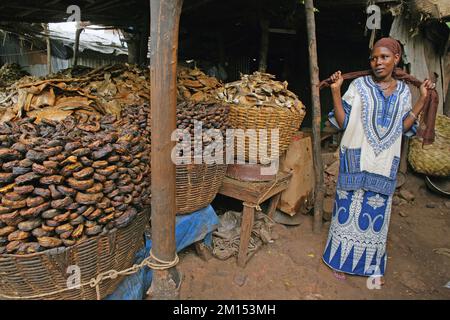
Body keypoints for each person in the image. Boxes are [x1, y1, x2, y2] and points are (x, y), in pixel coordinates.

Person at [321, 37, 436, 283]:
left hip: (383, 164)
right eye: (373, 58)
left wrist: (422, 100)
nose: (377, 62)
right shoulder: (359, 86)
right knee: (346, 212)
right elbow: (342, 123)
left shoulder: (404, 91)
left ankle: (370, 264)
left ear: (396, 59)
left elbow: (403, 127)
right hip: (356, 160)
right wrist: (335, 91)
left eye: (384, 57)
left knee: (376, 216)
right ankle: (340, 260)